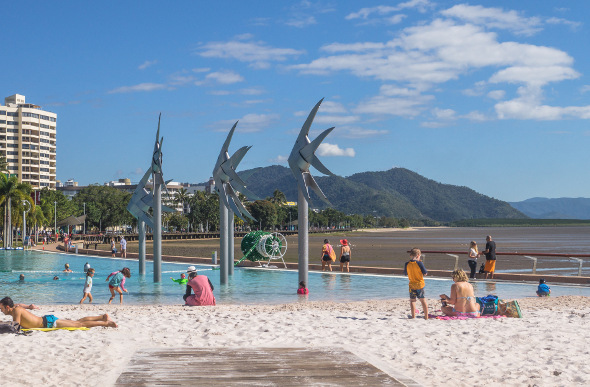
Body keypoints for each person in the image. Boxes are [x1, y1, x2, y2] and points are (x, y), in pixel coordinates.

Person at [0, 297, 117, 329]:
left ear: (7, 307)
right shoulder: (16, 307)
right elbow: (21, 305)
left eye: (1, 308)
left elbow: (14, 327)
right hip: (47, 320)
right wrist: (30, 306)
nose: (1, 311)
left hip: (49, 323)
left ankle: (106, 323)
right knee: (77, 322)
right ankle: (102, 317)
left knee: (79, 325)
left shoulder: (16, 311)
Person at [403, 248, 428, 320]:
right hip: (419, 285)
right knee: (423, 300)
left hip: (411, 285)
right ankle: (426, 317)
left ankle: (413, 316)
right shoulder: (420, 263)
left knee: (412, 300)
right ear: (418, 255)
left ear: (411, 255)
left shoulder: (407, 264)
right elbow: (425, 273)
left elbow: (405, 273)